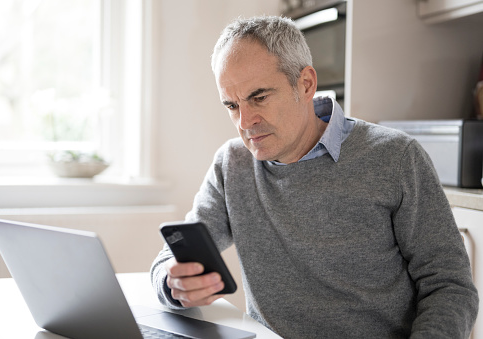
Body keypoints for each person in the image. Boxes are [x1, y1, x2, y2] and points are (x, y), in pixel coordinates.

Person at [151, 15, 478, 338]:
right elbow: (170, 258)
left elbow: (450, 287)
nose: (245, 122)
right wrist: (173, 283)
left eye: (259, 97)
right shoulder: (231, 164)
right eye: (232, 105)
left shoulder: (395, 157)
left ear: (305, 83)